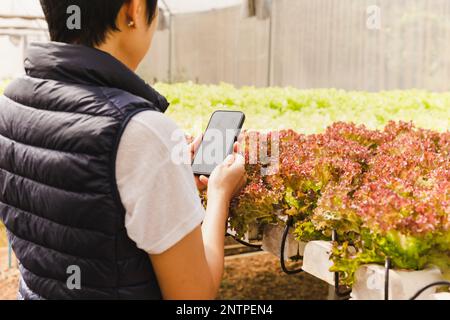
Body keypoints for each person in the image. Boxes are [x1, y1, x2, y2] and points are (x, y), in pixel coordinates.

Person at [0, 0, 246, 300]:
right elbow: (193, 296)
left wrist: (169, 182)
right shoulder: (142, 130)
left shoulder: (10, 103)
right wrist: (220, 193)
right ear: (134, 9)